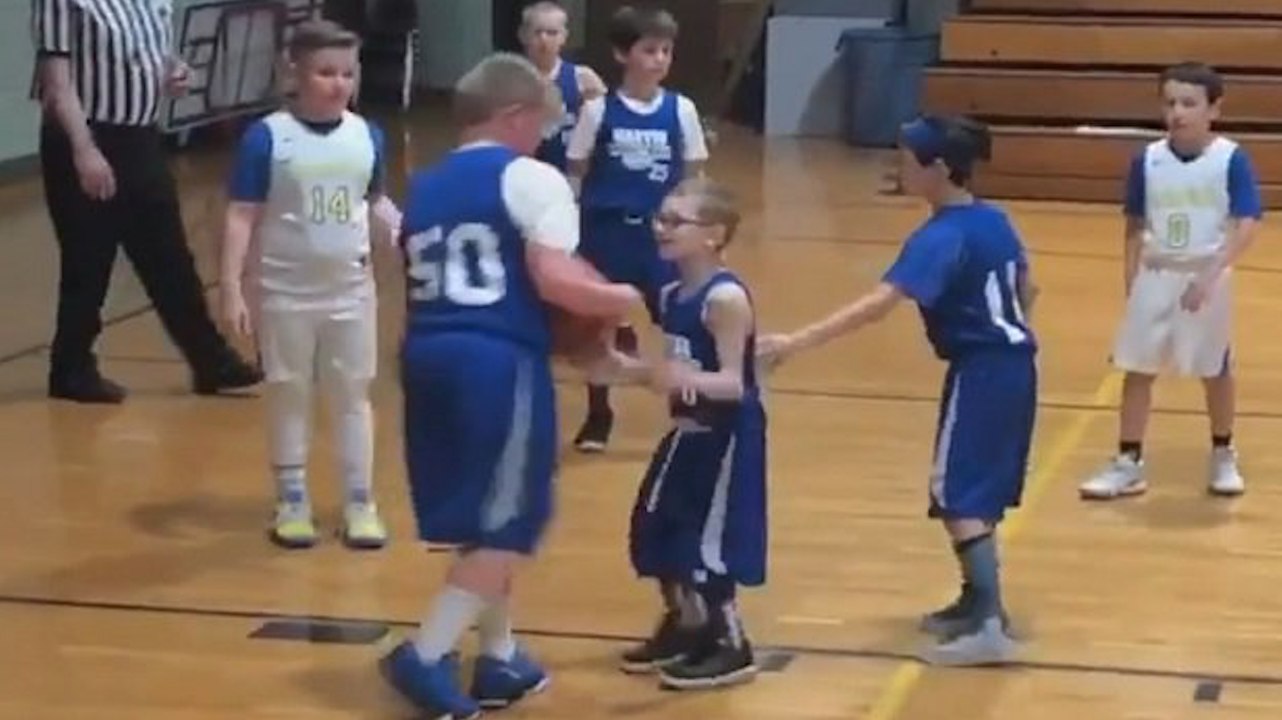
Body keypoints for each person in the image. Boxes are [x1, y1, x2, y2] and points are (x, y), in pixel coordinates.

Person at [379, 53, 642, 717]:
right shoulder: (531, 178)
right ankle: (426, 653)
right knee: (512, 518)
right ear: (514, 116)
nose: (543, 139)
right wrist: (619, 297)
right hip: (495, 358)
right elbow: (555, 282)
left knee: (484, 513)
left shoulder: (426, 185)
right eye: (540, 125)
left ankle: (498, 658)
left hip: (425, 350)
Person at [759, 115, 1036, 666]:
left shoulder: (940, 236)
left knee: (958, 492)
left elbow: (881, 304)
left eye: (907, 158)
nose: (897, 165)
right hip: (1017, 365)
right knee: (977, 488)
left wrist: (797, 340)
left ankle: (988, 625)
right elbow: (1029, 287)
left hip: (982, 370)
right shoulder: (993, 220)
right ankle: (975, 600)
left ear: (937, 169)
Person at [220, 20, 397, 550]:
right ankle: (292, 498)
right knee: (289, 392)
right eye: (325, 72)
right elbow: (240, 216)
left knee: (352, 395)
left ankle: (360, 501)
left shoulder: (368, 135)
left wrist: (410, 232)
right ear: (294, 72)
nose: (338, 83)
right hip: (285, 293)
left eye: (347, 72)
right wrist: (231, 285)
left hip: (351, 291)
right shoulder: (267, 137)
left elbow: (376, 202)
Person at [31, 0, 261, 403]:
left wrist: (174, 72)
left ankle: (210, 361)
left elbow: (151, 53)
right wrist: (84, 149)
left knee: (169, 255)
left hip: (139, 136)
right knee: (88, 259)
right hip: (84, 138)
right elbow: (57, 84)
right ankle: (71, 368)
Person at [599, 178, 767, 689]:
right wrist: (617, 369)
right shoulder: (672, 292)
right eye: (660, 218)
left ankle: (731, 644)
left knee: (707, 543)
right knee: (654, 527)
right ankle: (687, 625)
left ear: (714, 235)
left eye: (675, 221)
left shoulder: (726, 299)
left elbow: (733, 383)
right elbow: (672, 368)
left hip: (727, 435)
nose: (660, 228)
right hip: (686, 430)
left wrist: (682, 378)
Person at [1079, 62, 1261, 500]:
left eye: (1189, 103)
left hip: (1205, 274)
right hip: (1156, 271)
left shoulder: (1230, 158)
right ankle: (1128, 461)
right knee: (1137, 367)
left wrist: (1213, 273)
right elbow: (1134, 223)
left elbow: (1247, 222)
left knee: (1213, 368)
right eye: (1170, 102)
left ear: (1213, 109)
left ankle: (1222, 452)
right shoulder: (1148, 160)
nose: (1177, 112)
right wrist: (1131, 278)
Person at [564, 4, 710, 453]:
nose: (660, 59)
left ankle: (689, 405)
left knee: (680, 322)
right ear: (623, 54)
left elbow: (694, 176)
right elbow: (576, 171)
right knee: (597, 326)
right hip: (606, 233)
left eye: (666, 50)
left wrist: (696, 231)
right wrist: (569, 231)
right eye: (650, 50)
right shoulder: (597, 112)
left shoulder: (681, 110)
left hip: (659, 238)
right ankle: (598, 413)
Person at [518, 1, 606, 171]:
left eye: (552, 33)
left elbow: (604, 128)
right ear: (523, 35)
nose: (544, 39)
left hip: (568, 171)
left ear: (564, 37)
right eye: (537, 32)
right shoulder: (511, 77)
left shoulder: (582, 77)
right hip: (524, 168)